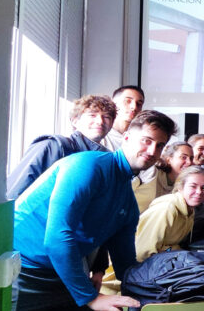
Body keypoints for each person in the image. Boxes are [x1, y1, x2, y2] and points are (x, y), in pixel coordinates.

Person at [13, 110, 175, 310]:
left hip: (62, 272)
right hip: (23, 269)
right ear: (126, 137)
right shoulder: (87, 166)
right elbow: (57, 238)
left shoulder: (127, 203)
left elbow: (125, 264)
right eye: (146, 140)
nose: (152, 151)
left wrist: (142, 300)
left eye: (160, 146)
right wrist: (91, 298)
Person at [7, 94, 116, 200]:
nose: (100, 121)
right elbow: (14, 192)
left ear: (111, 125)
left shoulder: (107, 160)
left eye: (106, 117)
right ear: (75, 121)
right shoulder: (53, 147)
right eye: (92, 115)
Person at [135, 165, 204, 262]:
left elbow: (169, 247)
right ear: (180, 187)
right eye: (193, 186)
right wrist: (173, 251)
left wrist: (172, 250)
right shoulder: (166, 209)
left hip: (163, 260)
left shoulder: (189, 209)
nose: (199, 192)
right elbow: (143, 253)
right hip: (136, 268)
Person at [132, 141, 193, 213]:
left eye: (191, 158)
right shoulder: (151, 172)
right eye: (183, 157)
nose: (189, 162)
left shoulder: (182, 187)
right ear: (169, 159)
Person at [101, 85, 145, 151]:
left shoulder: (142, 137)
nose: (134, 107)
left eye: (139, 104)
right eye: (128, 101)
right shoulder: (100, 134)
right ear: (113, 103)